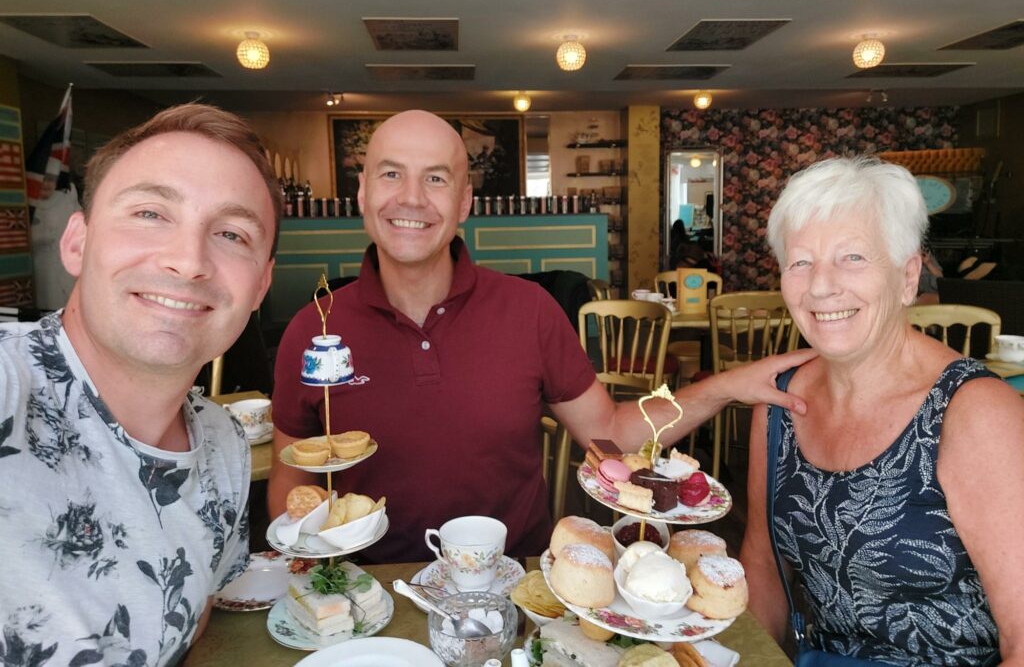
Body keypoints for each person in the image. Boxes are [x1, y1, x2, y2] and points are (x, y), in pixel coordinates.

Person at [269, 110, 813, 563]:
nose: (411, 198)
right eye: (390, 175)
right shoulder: (312, 330)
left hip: (512, 590)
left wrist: (724, 385)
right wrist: (305, 572)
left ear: (464, 201)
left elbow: (612, 433)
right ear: (362, 193)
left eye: (435, 178)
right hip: (369, 602)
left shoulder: (530, 311)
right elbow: (290, 484)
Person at [0, 104, 280, 666]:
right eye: (151, 213)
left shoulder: (224, 446)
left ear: (260, 288)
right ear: (77, 242)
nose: (188, 260)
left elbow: (184, 625)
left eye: (230, 233)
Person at [740, 156, 1023, 665]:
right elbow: (763, 566)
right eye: (800, 261)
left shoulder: (975, 413)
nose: (821, 286)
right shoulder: (781, 405)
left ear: (908, 276)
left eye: (853, 257)